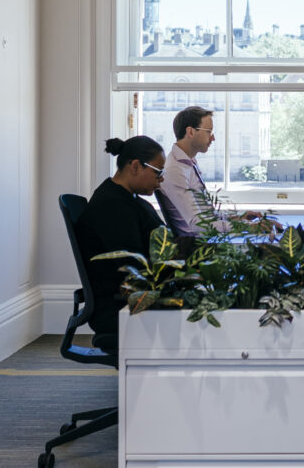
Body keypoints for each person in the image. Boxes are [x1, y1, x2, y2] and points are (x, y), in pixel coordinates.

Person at [75, 135, 167, 344]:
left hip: (133, 297)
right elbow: (134, 265)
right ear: (135, 166)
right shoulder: (112, 207)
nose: (160, 180)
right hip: (121, 307)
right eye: (158, 172)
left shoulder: (128, 200)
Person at [157, 105, 275, 238]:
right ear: (190, 132)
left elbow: (206, 215)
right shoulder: (175, 170)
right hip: (197, 247)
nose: (213, 138)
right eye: (208, 131)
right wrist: (246, 227)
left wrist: (239, 217)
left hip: (209, 239)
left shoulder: (188, 163)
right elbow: (197, 225)